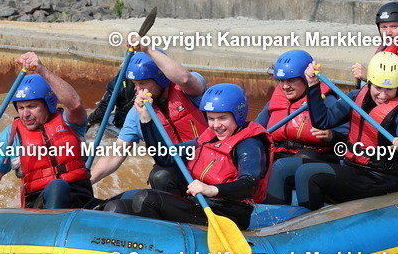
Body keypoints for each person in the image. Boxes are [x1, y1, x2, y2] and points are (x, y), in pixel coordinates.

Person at [100, 83, 272, 230]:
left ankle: (165, 244)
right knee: (116, 207)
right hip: (200, 204)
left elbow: (250, 185)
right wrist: (146, 118)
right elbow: (165, 157)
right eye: (211, 119)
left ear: (239, 115)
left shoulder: (249, 143)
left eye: (223, 118)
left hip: (228, 213)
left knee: (146, 199)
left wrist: (211, 189)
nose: (216, 125)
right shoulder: (208, 137)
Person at [0, 53, 94, 209]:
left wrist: (41, 69)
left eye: (32, 106)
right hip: (40, 206)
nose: (25, 114)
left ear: (49, 104)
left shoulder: (70, 122)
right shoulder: (11, 137)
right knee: (58, 186)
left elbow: (75, 104)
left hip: (82, 202)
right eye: (21, 108)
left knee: (121, 205)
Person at [293, 52, 398, 211]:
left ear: (397, 87)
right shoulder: (355, 97)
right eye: (378, 87)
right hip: (354, 167)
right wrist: (313, 85)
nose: (382, 95)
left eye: (389, 89)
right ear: (369, 83)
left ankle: (308, 228)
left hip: (382, 178)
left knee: (307, 174)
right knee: (282, 168)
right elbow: (323, 121)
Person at [89, 48, 207, 196]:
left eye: (143, 83)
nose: (138, 91)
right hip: (178, 173)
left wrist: (146, 49)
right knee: (159, 176)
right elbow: (116, 153)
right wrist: (88, 181)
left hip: (209, 162)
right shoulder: (136, 113)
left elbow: (185, 78)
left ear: (161, 78)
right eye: (135, 85)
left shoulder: (188, 89)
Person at [253, 50, 347, 205]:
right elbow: (255, 129)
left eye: (291, 81)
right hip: (280, 156)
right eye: (281, 81)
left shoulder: (327, 101)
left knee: (302, 157)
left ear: (305, 79)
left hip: (313, 158)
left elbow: (345, 141)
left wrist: (331, 135)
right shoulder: (276, 102)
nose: (284, 87)